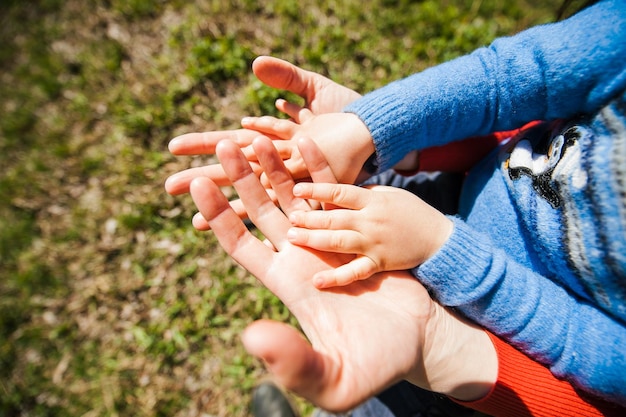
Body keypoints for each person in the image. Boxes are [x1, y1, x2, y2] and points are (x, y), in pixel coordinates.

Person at [184, 134, 623, 417]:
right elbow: (523, 133)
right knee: (354, 372)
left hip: (496, 373)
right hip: (442, 204)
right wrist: (395, 143)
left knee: (375, 393)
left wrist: (442, 343)